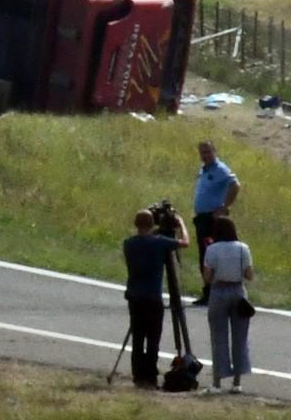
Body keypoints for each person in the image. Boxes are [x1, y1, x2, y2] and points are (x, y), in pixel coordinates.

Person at [122, 208, 190, 389]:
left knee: (138, 338)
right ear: (152, 224)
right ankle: (150, 377)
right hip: (152, 297)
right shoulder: (159, 243)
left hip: (135, 297)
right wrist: (181, 223)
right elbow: (185, 243)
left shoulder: (129, 243)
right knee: (153, 339)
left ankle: (138, 376)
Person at [201, 216, 254, 394]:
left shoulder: (212, 249)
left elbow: (207, 278)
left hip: (219, 291)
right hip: (238, 291)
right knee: (240, 337)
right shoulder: (243, 248)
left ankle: (217, 382)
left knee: (218, 337)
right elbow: (249, 275)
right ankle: (237, 382)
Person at [191, 141, 241, 306]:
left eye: (208, 152)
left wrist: (224, 207)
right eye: (202, 152)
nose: (205, 155)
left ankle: (215, 292)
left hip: (212, 219)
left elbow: (235, 185)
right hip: (202, 217)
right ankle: (208, 292)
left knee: (211, 254)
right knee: (204, 255)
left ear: (214, 151)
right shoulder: (204, 170)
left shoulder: (219, 169)